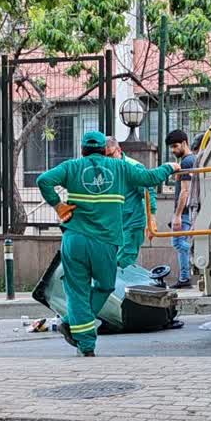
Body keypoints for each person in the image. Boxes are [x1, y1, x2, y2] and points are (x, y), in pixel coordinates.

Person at [37, 130, 177, 357]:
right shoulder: (120, 168)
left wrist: (58, 205)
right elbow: (150, 179)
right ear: (104, 149)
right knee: (105, 285)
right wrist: (171, 167)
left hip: (74, 240)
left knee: (77, 291)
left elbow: (43, 181)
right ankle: (73, 322)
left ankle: (85, 344)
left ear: (82, 149)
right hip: (104, 243)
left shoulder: (72, 167)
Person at [104, 136, 159, 268]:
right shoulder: (105, 169)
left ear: (119, 150)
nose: (108, 159)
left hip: (131, 224)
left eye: (111, 155)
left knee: (123, 263)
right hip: (113, 225)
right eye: (104, 156)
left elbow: (147, 192)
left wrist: (151, 220)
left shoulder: (133, 167)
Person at [165, 129, 196, 289]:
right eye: (171, 147)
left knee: (179, 243)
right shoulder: (190, 160)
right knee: (180, 242)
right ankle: (184, 277)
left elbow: (185, 191)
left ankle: (195, 256)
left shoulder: (187, 162)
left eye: (175, 146)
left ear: (184, 143)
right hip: (188, 210)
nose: (173, 150)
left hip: (184, 212)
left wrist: (177, 215)